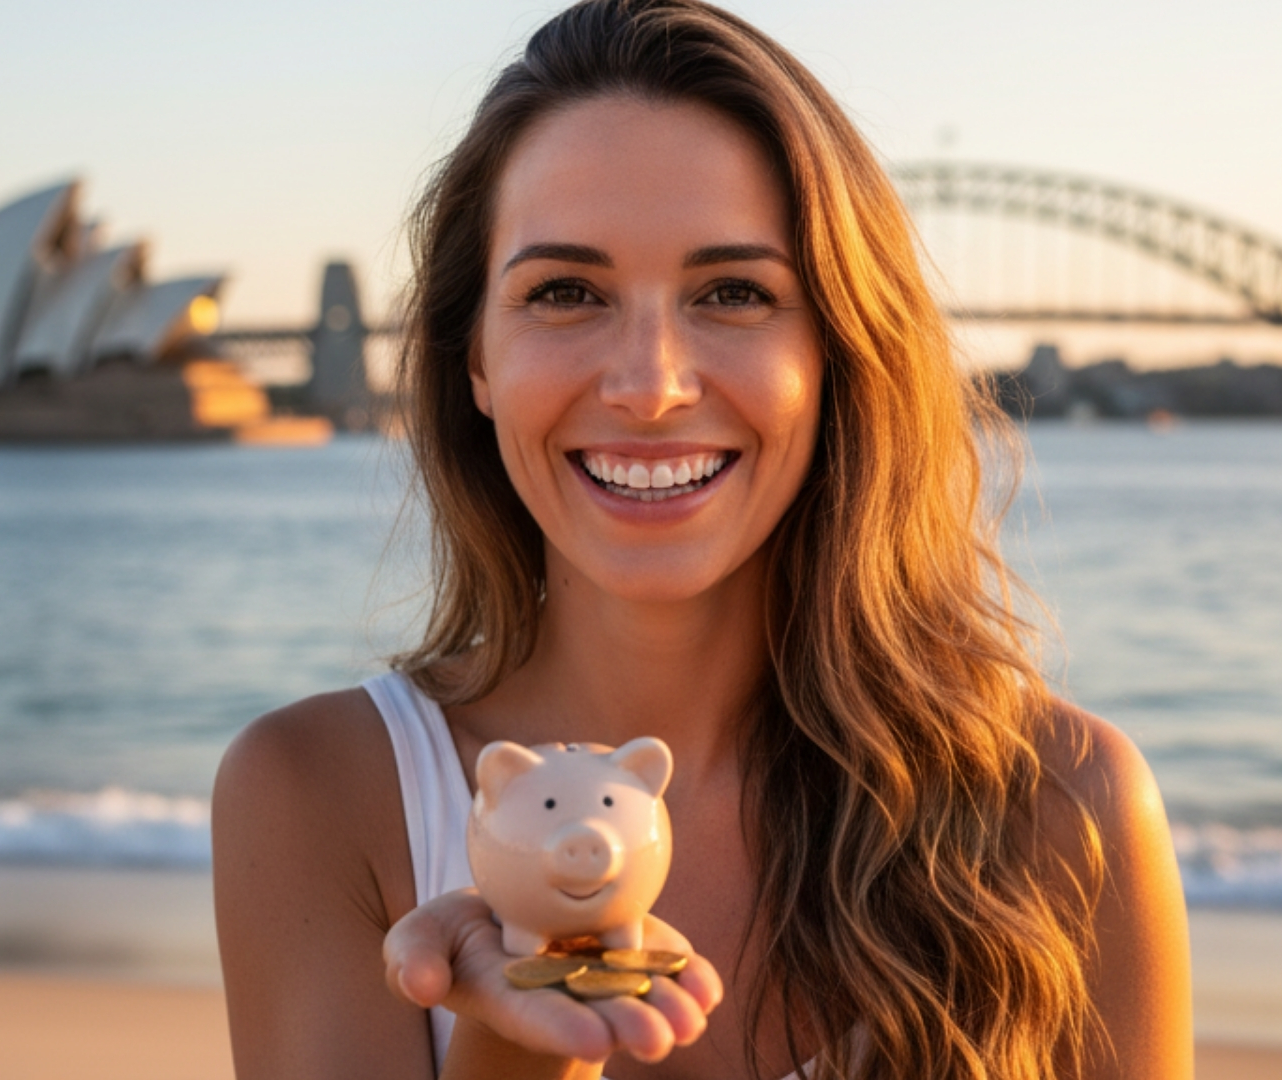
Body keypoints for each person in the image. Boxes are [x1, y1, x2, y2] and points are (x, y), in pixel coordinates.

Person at [211, 1, 1192, 1077]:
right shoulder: (316, 797)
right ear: (474, 363)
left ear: (836, 354)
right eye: (566, 292)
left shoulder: (1064, 808)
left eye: (733, 292)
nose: (650, 385)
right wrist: (511, 1042)